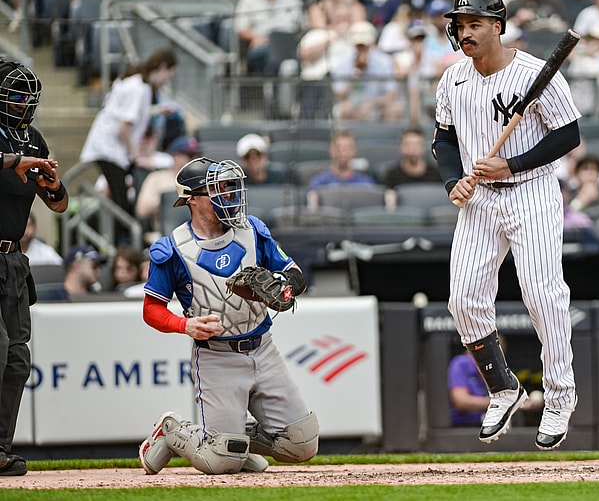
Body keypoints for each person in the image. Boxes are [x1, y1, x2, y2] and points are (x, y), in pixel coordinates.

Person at [433, 0, 581, 450]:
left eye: (475, 23)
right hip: (479, 200)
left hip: (530, 192)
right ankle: (502, 388)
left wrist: (512, 164)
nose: (466, 31)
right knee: (462, 301)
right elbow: (443, 141)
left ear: (497, 26)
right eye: (461, 24)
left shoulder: (536, 73)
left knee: (543, 294)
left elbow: (569, 136)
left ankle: (559, 396)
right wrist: (453, 180)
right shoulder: (452, 78)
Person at [138, 156, 317, 475]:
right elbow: (151, 310)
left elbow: (294, 274)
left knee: (301, 444)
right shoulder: (174, 248)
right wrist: (186, 325)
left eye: (229, 187)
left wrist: (283, 289)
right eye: (217, 189)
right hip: (217, 357)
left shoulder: (252, 230)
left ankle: (234, 440)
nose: (228, 195)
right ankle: (173, 430)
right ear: (192, 199)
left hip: (263, 349)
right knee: (221, 462)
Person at [0, 59, 68, 476]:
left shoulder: (33, 140)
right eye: (16, 96)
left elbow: (58, 204)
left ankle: (0, 448)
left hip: (12, 260)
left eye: (30, 99)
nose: (25, 105)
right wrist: (12, 163)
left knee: (18, 359)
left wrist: (52, 185)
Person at [79, 49, 178, 220]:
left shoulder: (137, 83)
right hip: (109, 151)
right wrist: (136, 155)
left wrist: (157, 111)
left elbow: (132, 111)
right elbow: (123, 126)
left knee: (123, 200)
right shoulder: (139, 88)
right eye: (169, 75)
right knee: (121, 205)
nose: (167, 81)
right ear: (163, 67)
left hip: (112, 150)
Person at [233, 0, 304, 76]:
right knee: (265, 56)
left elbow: (301, 28)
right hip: (260, 44)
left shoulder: (293, 0)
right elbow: (240, 28)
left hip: (287, 45)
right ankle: (263, 93)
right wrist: (254, 38)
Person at [306, 130, 377, 208]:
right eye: (339, 147)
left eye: (349, 147)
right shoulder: (319, 182)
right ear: (331, 150)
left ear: (354, 150)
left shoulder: (366, 183)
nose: (344, 151)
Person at [382, 128, 441, 208]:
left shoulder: (437, 173)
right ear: (400, 147)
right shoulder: (391, 175)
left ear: (423, 147)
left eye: (417, 144)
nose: (413, 148)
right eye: (408, 144)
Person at [38, 244, 107, 301]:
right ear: (75, 267)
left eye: (99, 267)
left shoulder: (95, 297)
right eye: (94, 266)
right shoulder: (54, 299)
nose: (98, 270)